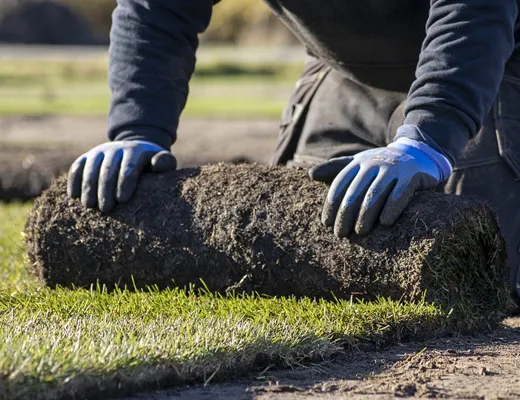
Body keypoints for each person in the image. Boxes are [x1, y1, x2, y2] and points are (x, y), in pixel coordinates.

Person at [67, 0, 520, 300]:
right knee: (293, 260)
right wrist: (136, 129)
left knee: (488, 279)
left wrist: (430, 135)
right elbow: (157, 8)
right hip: (344, 71)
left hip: (494, 62)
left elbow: (475, 9)